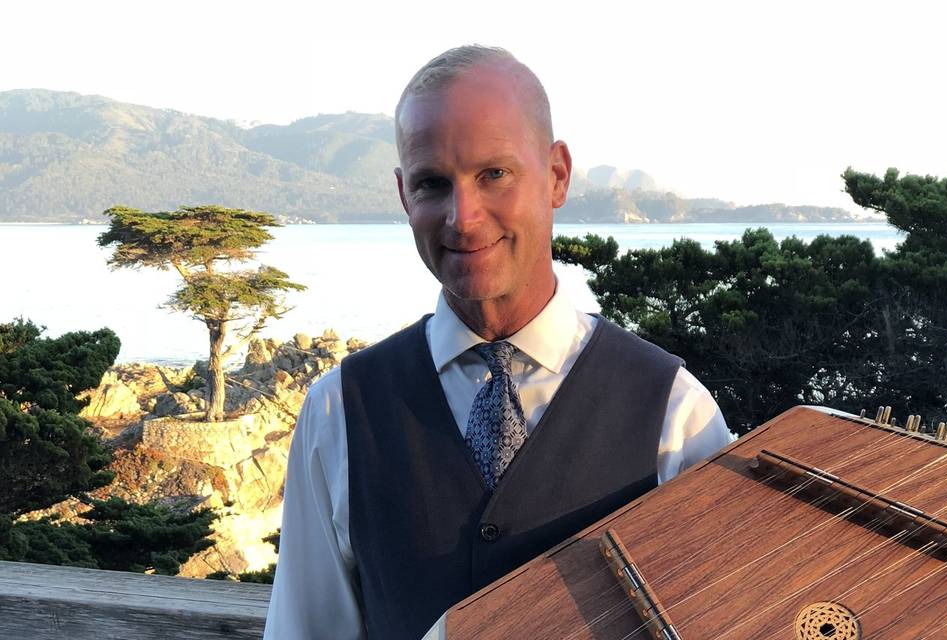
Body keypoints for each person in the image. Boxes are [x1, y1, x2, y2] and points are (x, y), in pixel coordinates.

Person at [263, 45, 733, 640]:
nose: (463, 216)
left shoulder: (675, 414)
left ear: (557, 175)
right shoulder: (338, 412)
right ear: (405, 195)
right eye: (434, 183)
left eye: (494, 174)